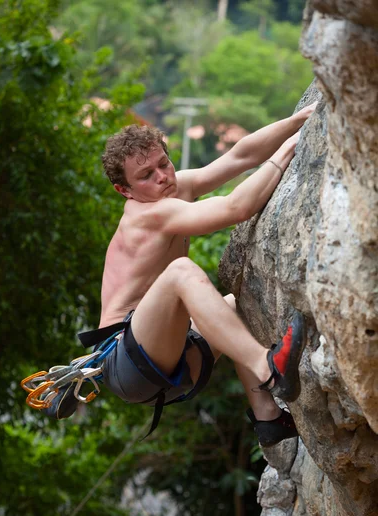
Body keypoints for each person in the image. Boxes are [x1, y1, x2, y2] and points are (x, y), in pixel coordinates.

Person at [43, 103, 317, 446]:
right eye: (145, 176)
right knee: (180, 272)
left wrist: (298, 121)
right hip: (125, 362)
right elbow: (237, 208)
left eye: (164, 164)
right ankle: (267, 369)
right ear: (124, 190)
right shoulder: (147, 215)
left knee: (236, 303)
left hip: (175, 358)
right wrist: (292, 147)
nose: (162, 176)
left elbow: (239, 157)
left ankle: (268, 419)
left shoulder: (171, 189)